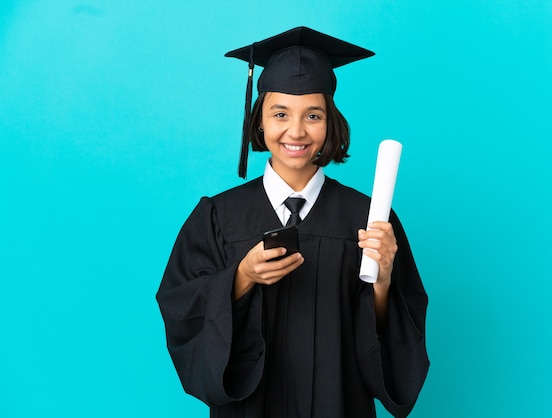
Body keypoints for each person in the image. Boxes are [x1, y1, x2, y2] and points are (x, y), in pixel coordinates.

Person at [156, 26, 429, 418]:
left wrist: (383, 281)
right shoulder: (217, 217)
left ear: (330, 122)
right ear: (260, 120)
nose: (296, 131)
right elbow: (181, 308)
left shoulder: (368, 217)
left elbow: (396, 341)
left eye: (313, 115)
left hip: (340, 405)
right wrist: (240, 277)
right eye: (280, 113)